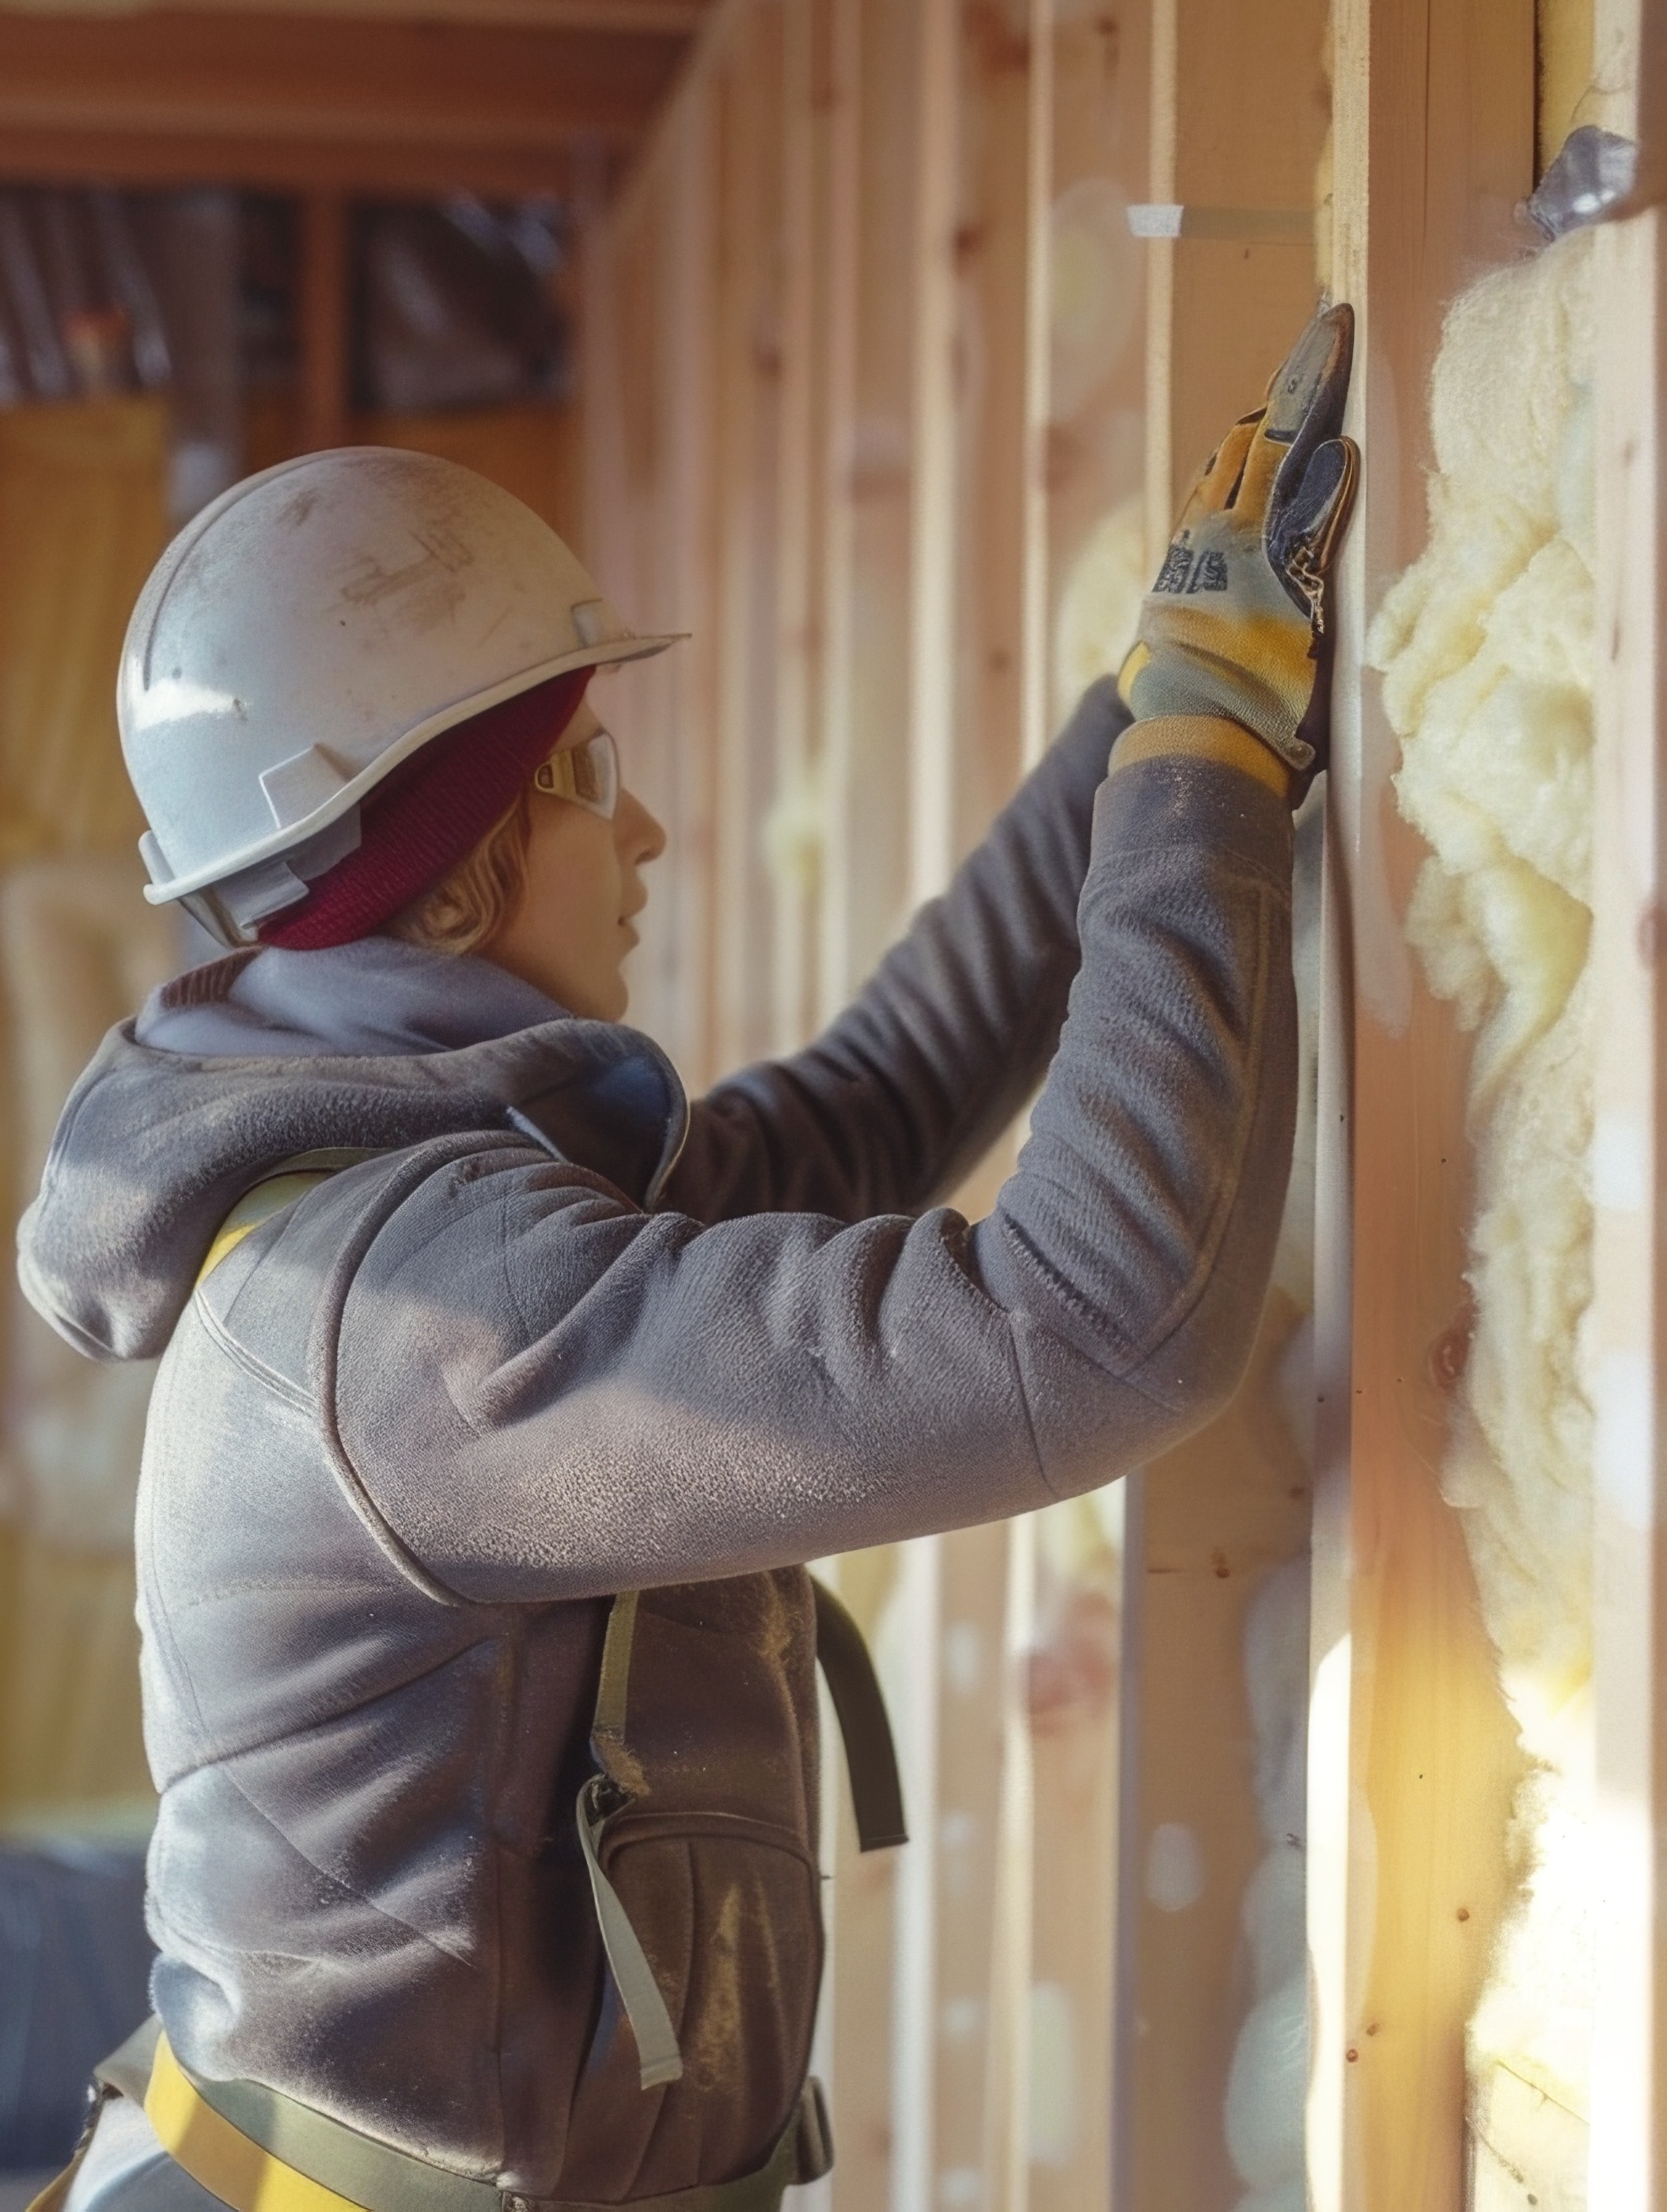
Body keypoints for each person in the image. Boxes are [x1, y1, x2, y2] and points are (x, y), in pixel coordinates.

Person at [20, 305, 1356, 2212]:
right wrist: (1208, 760)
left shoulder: (439, 1208)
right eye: (585, 770)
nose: (641, 825)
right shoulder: (415, 1322)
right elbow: (1097, 1327)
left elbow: (875, 1105)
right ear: (461, 870)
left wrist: (1154, 696)